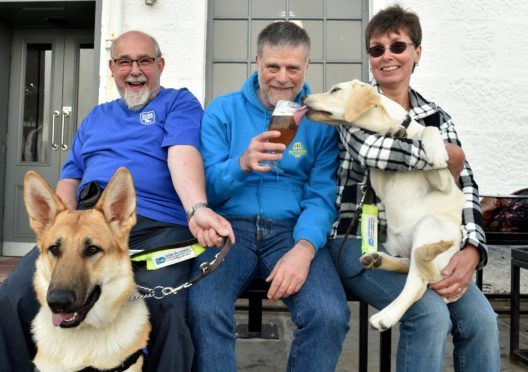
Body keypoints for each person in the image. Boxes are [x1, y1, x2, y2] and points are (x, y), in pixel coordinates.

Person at [0, 30, 234, 372]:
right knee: (12, 297)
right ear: (112, 67)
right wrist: (53, 230)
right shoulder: (96, 117)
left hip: (157, 228)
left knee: (166, 306)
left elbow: (182, 156)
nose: (134, 70)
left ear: (161, 65)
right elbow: (69, 179)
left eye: (145, 61)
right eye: (124, 61)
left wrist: (196, 209)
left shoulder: (177, 102)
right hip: (85, 230)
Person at [325, 5, 500, 372]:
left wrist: (472, 249)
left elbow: (464, 185)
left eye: (398, 46)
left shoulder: (438, 117)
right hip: (359, 240)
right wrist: (445, 154)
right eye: (377, 49)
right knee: (430, 316)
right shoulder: (354, 105)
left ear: (417, 52)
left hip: (425, 240)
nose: (387, 56)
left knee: (483, 322)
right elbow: (377, 152)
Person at [187, 21, 350, 371]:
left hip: (291, 230)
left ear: (307, 67)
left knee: (329, 315)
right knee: (202, 307)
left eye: (293, 68)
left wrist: (304, 249)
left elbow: (321, 197)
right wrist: (241, 164)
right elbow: (206, 190)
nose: (282, 77)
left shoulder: (320, 122)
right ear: (257, 62)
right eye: (272, 66)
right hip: (230, 228)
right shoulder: (223, 111)